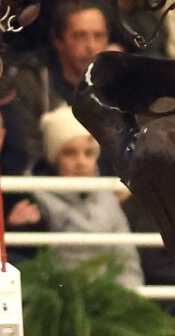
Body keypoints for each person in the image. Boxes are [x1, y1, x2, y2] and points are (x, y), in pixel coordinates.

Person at [33, 105, 143, 284]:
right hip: (63, 300)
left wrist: (128, 299)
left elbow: (126, 259)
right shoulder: (37, 197)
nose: (81, 162)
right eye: (70, 153)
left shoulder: (106, 196)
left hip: (108, 299)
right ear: (54, 158)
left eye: (89, 153)